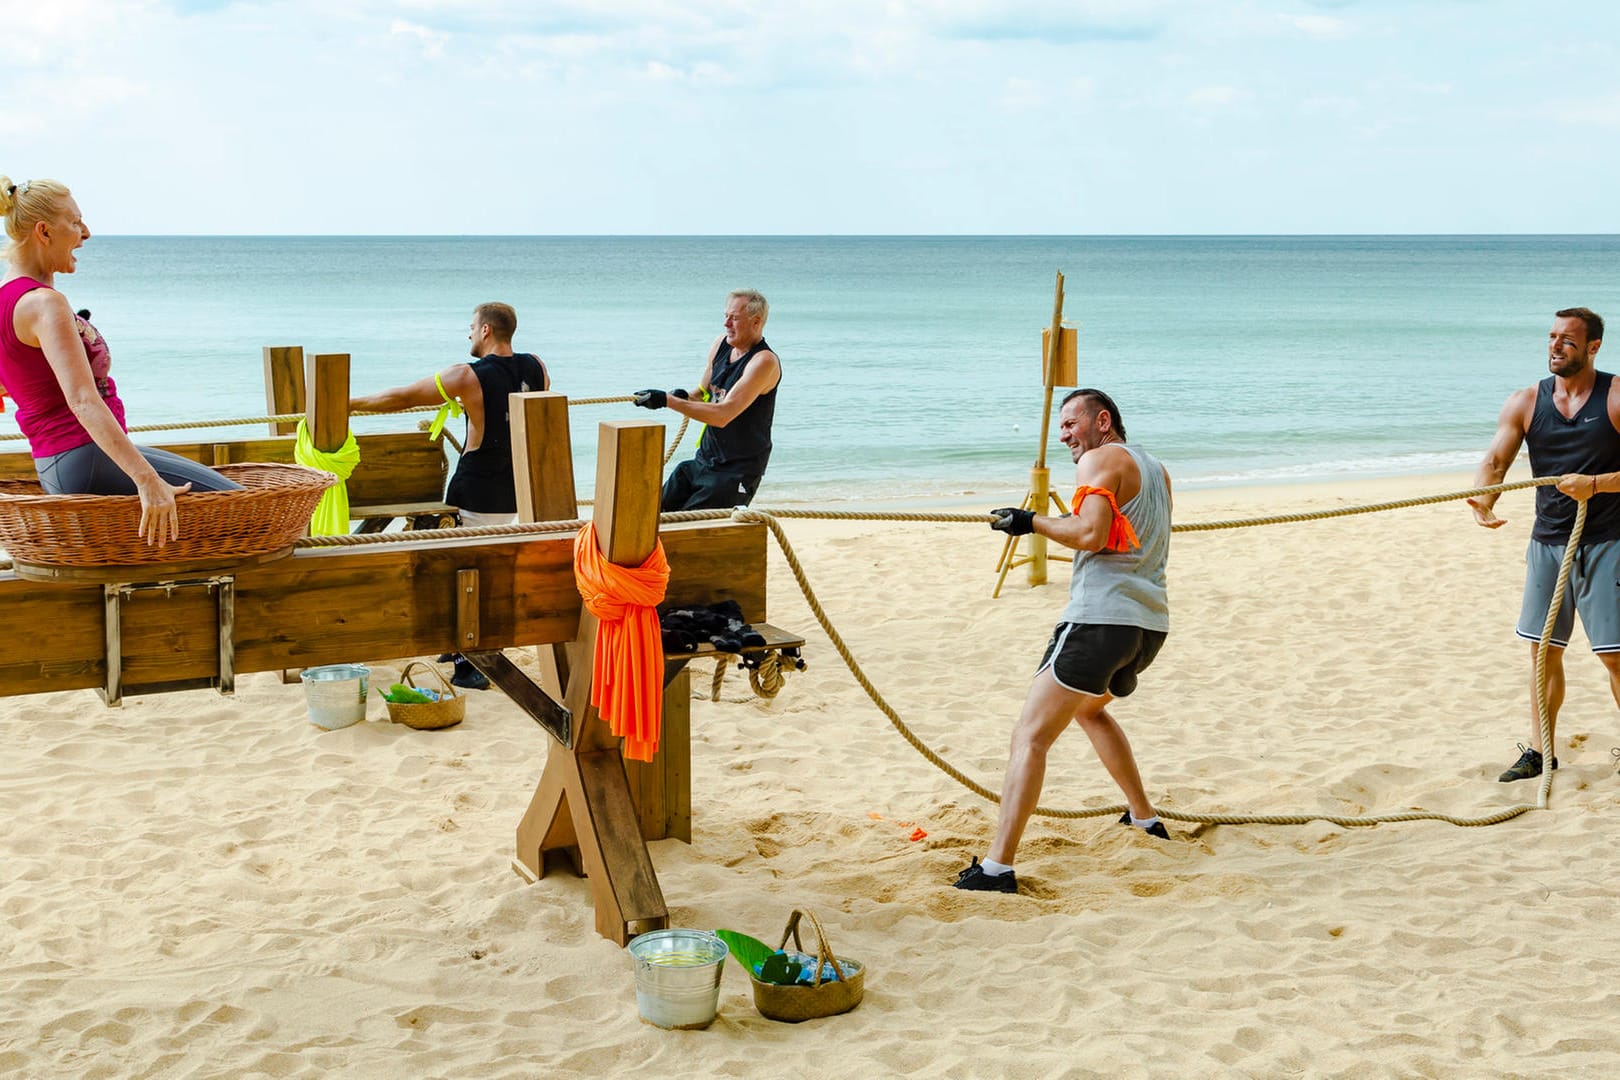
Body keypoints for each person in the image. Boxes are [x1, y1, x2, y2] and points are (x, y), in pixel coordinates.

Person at [954, 389, 1173, 895]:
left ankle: (997, 869)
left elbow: (1093, 534)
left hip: (1100, 620)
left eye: (1072, 423)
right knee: (1090, 711)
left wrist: (1029, 522)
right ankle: (1144, 818)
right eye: (1061, 427)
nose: (1064, 435)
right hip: (1148, 626)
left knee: (1030, 736)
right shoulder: (1157, 470)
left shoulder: (1100, 459)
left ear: (1103, 420)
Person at [0, 177, 240, 545]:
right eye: (75, 222)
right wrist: (147, 481)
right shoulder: (44, 303)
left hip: (62, 461)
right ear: (44, 231)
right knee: (237, 505)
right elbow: (81, 400)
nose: (87, 233)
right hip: (84, 455)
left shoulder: (8, 301)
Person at [350, 302, 549, 689]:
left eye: (472, 327)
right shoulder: (536, 367)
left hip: (475, 487)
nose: (469, 334)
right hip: (515, 487)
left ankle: (467, 661)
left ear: (487, 330)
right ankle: (458, 647)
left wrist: (349, 404)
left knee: (462, 571)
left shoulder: (465, 375)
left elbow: (403, 396)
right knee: (484, 564)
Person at [1468, 307, 1620, 782]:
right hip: (1548, 542)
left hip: (1608, 541)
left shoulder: (1616, 397)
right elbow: (1496, 459)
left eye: (1568, 340)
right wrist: (1484, 499)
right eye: (1552, 337)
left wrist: (1595, 485)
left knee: (1614, 654)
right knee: (1541, 652)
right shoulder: (1526, 401)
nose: (1556, 346)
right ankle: (1541, 752)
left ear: (1593, 347)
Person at [633, 288, 781, 511]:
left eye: (735, 318)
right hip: (703, 461)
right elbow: (703, 394)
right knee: (648, 515)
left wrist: (667, 401)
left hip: (735, 473)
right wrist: (681, 397)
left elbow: (723, 414)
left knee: (685, 531)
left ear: (756, 322)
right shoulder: (721, 344)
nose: (726, 324)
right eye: (726, 316)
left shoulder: (763, 362)